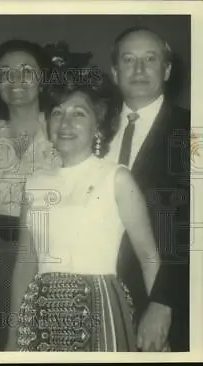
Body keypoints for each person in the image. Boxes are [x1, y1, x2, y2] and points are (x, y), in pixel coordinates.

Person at [6, 68, 164, 352]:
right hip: (41, 311)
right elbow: (24, 263)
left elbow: (149, 255)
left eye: (78, 113)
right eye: (57, 113)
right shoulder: (34, 184)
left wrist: (159, 316)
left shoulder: (116, 178)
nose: (65, 123)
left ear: (99, 125)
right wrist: (13, 334)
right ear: (46, 123)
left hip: (100, 306)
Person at [0, 39, 61, 351]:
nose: (16, 80)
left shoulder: (65, 131)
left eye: (26, 70)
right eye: (5, 72)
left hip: (51, 253)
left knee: (48, 340)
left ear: (43, 78)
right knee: (0, 341)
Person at [108, 27, 190, 352]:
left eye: (150, 59)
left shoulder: (192, 132)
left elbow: (193, 228)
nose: (139, 69)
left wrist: (163, 303)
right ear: (115, 72)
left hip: (162, 302)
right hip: (99, 299)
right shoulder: (91, 128)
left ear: (167, 70)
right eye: (129, 60)